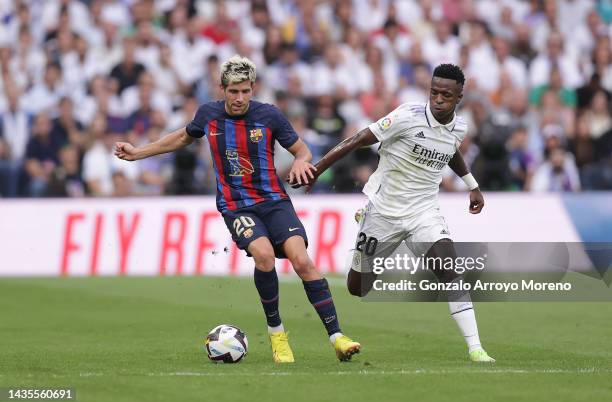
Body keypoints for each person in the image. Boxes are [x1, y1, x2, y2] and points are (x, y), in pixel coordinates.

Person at [115, 55, 360, 363]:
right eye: (233, 91)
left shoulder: (269, 116)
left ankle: (337, 338)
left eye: (245, 91)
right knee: (264, 255)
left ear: (252, 89)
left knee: (302, 261)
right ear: (223, 89)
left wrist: (300, 161)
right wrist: (139, 153)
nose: (240, 98)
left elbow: (302, 150)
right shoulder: (209, 115)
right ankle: (277, 335)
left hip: (274, 201)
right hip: (236, 205)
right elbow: (180, 138)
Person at [297, 64, 495, 363]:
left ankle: (476, 348)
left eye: (446, 95)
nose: (438, 99)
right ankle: (367, 228)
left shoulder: (460, 127)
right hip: (383, 212)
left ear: (459, 97)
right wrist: (317, 169)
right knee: (357, 287)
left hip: (424, 212)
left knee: (451, 270)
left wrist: (472, 184)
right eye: (434, 92)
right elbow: (357, 139)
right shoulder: (407, 116)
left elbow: (450, 148)